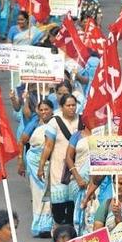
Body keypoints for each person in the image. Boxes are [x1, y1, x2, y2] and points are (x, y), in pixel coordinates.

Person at [38, 94, 80, 226]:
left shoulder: (82, 120)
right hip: (59, 168)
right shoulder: (54, 122)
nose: (71, 108)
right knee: (59, 206)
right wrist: (41, 166)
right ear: (61, 107)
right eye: (68, 105)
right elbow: (48, 146)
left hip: (76, 168)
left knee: (73, 203)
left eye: (74, 105)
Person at [19, 100, 55, 237]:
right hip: (34, 165)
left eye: (47, 109)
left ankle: (50, 225)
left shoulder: (56, 124)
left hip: (50, 164)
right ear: (38, 111)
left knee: (51, 194)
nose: (44, 112)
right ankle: (40, 225)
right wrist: (20, 161)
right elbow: (22, 142)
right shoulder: (34, 124)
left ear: (52, 110)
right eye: (41, 109)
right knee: (38, 195)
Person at [65, 118, 93, 235]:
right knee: (78, 210)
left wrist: (93, 183)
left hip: (96, 181)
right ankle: (77, 236)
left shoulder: (102, 135)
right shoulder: (77, 136)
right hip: (78, 179)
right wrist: (78, 178)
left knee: (92, 212)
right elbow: (68, 157)